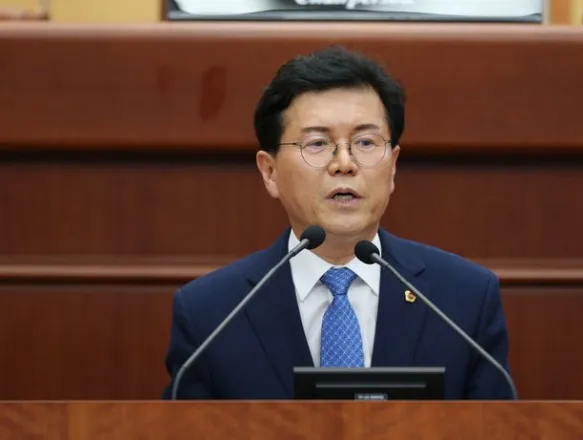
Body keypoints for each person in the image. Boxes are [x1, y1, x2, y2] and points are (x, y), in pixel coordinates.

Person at [162, 46, 513, 400]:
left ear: (393, 166)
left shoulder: (463, 300)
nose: (344, 163)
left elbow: (496, 425)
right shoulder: (211, 314)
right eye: (317, 143)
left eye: (365, 142)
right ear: (269, 172)